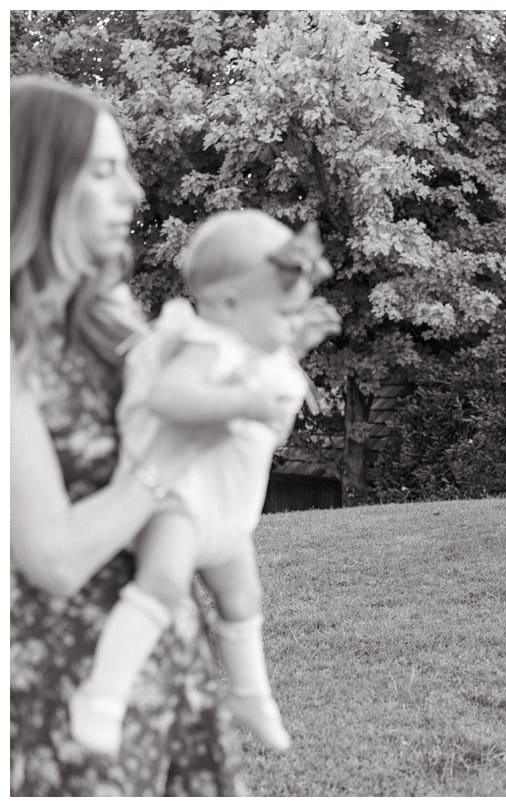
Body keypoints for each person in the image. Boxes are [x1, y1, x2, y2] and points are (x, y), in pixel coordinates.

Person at [9, 75, 336, 795]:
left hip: (171, 665)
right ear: (32, 184)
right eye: (103, 171)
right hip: (64, 688)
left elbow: (235, 423)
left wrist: (273, 356)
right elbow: (54, 560)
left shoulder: (113, 317)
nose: (131, 192)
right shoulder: (11, 350)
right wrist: (174, 457)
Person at [68, 210, 337, 756]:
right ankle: (102, 695)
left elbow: (267, 382)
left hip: (223, 510)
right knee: (163, 583)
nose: (291, 322)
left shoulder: (247, 345)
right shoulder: (201, 342)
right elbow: (172, 397)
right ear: (231, 304)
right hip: (177, 499)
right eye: (284, 312)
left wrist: (294, 345)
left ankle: (251, 696)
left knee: (243, 595)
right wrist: (245, 401)